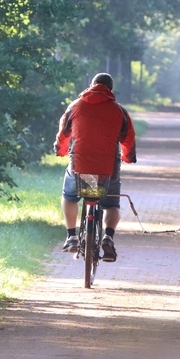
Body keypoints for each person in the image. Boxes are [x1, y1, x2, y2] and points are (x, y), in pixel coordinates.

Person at [54, 72, 137, 261]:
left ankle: (72, 236)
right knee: (111, 205)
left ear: (91, 86)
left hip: (80, 167)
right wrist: (127, 157)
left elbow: (64, 133)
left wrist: (60, 150)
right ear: (111, 90)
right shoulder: (119, 111)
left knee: (69, 196)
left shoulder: (76, 106)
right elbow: (128, 139)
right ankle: (108, 237)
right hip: (108, 170)